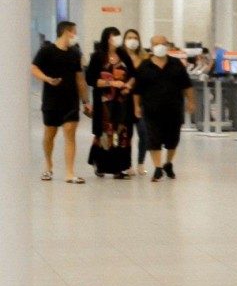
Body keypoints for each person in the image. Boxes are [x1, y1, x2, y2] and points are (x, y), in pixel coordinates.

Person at [30, 20, 90, 183]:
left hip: (70, 100)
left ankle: (70, 173)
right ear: (66, 32)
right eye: (74, 32)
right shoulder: (46, 51)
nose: (75, 35)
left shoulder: (75, 53)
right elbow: (34, 68)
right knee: (50, 134)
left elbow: (80, 78)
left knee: (70, 132)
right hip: (51, 100)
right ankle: (48, 165)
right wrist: (47, 79)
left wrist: (86, 101)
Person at [133, 35, 195, 182]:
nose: (160, 46)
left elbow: (187, 85)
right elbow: (138, 89)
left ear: (167, 45)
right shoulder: (144, 66)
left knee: (173, 140)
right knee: (153, 139)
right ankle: (158, 168)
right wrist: (136, 105)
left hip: (174, 109)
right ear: (151, 46)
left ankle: (168, 163)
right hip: (151, 110)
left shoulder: (176, 64)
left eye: (163, 44)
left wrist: (191, 101)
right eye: (156, 44)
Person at [84, 26, 135, 179]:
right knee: (106, 133)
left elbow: (133, 73)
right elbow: (91, 79)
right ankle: (101, 165)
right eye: (115, 36)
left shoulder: (123, 55)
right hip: (104, 102)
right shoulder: (98, 57)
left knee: (122, 133)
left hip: (122, 102)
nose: (118, 39)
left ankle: (119, 168)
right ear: (108, 38)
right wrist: (111, 83)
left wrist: (128, 85)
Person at [122, 29, 151, 175]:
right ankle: (127, 164)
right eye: (129, 37)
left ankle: (141, 162)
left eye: (135, 37)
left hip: (142, 99)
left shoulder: (145, 58)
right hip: (124, 98)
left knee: (143, 132)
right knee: (127, 134)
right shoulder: (119, 57)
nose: (132, 40)